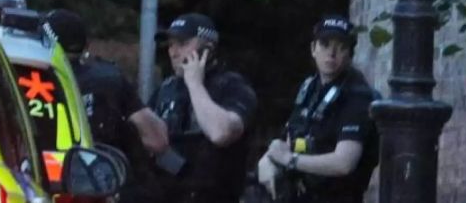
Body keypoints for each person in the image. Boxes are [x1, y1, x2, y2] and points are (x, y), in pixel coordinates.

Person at [258, 15, 380, 203]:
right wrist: (267, 159)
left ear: (350, 54)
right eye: (324, 44)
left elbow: (344, 163)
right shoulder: (310, 88)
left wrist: (290, 160)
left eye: (341, 47)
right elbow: (288, 138)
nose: (331, 54)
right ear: (313, 49)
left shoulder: (357, 96)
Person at [148, 13, 258, 203]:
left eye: (182, 44)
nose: (173, 52)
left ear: (208, 49)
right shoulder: (166, 89)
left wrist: (195, 85)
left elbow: (221, 133)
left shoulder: (233, 86)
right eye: (171, 44)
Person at [43, 9, 169, 155]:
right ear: (86, 45)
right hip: (102, 169)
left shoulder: (32, 76)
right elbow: (157, 139)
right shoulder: (109, 79)